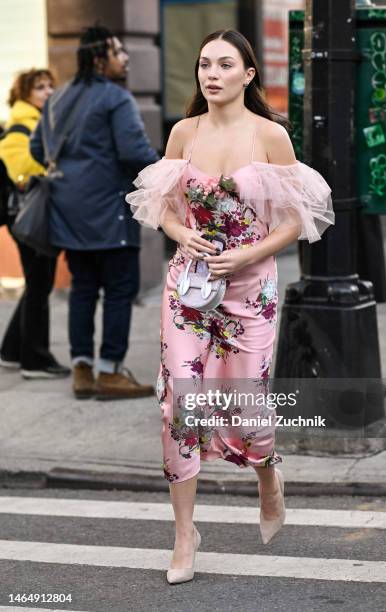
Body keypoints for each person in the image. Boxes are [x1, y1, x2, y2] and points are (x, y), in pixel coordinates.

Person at [127, 29, 334, 584]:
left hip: (250, 294)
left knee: (246, 410)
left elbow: (293, 222)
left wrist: (244, 253)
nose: (210, 74)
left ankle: (268, 474)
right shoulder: (183, 132)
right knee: (181, 403)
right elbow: (163, 209)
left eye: (224, 65)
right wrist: (182, 234)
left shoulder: (271, 137)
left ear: (247, 75)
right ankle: (183, 537)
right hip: (189, 288)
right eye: (203, 65)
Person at [30, 25, 160, 400]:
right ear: (101, 57)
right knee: (120, 289)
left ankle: (82, 370)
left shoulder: (58, 98)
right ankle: (111, 372)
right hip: (109, 211)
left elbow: (39, 149)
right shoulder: (116, 98)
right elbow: (135, 153)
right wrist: (167, 171)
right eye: (120, 51)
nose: (126, 58)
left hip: (68, 213)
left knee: (83, 289)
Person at [0, 69, 70, 379]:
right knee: (39, 283)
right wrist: (53, 162)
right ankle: (35, 360)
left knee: (37, 282)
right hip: (27, 215)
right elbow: (20, 168)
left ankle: (12, 350)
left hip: (32, 214)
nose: (48, 91)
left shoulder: (40, 121)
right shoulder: (21, 124)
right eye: (40, 87)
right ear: (24, 93)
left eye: (50, 85)